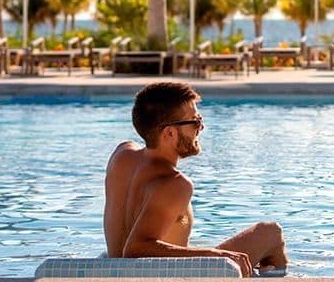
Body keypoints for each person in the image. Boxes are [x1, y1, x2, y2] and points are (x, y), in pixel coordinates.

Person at [103, 82, 288, 276]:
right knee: (271, 233)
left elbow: (127, 251)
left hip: (113, 273)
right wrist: (215, 254)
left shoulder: (122, 156)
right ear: (169, 133)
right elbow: (134, 250)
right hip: (165, 278)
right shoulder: (175, 184)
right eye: (195, 122)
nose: (201, 127)